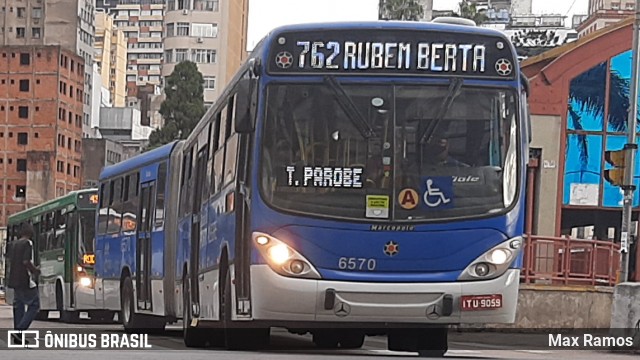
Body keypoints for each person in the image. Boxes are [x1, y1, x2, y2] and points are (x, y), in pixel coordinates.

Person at [7, 222, 40, 345]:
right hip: (25, 279)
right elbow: (26, 261)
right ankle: (20, 330)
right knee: (34, 305)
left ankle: (17, 338)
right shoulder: (28, 243)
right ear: (30, 232)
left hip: (14, 280)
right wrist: (35, 270)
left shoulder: (14, 244)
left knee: (18, 306)